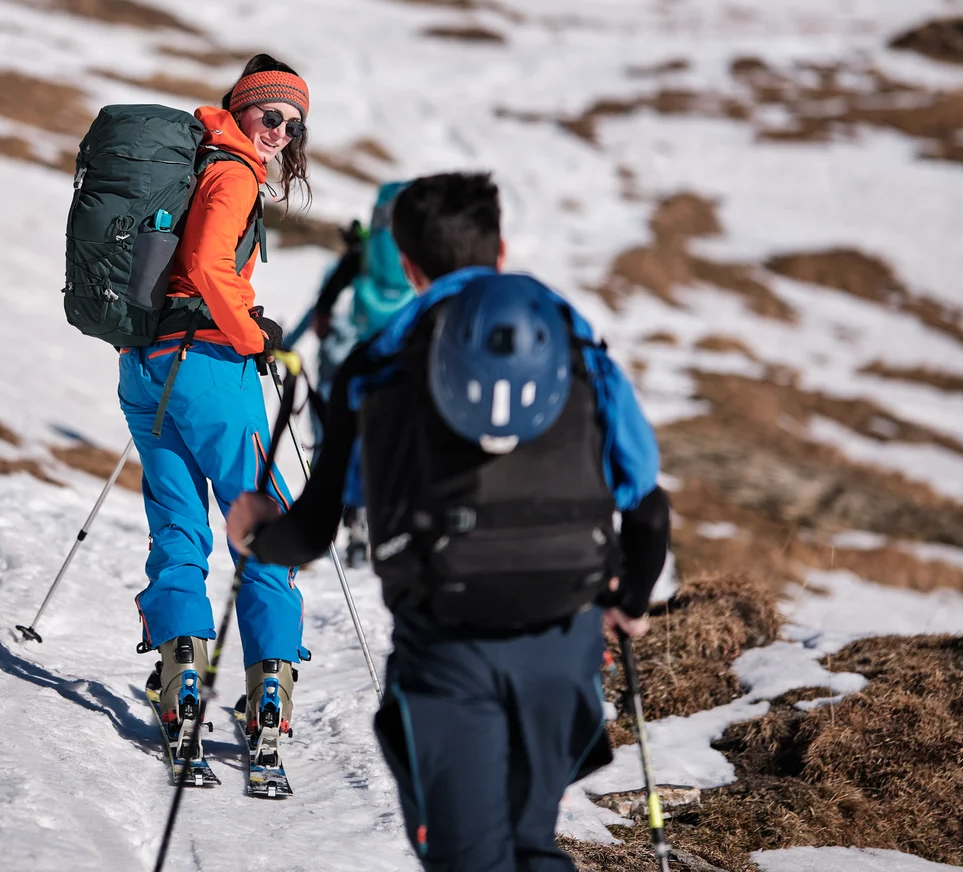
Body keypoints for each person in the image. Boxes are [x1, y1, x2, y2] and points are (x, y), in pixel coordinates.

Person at [227, 172, 671, 869]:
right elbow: (647, 506)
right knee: (530, 841)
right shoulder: (575, 347)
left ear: (408, 266)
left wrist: (255, 531)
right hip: (564, 639)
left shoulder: (377, 366)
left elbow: (313, 530)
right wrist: (631, 601)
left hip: (447, 644)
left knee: (469, 856)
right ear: (501, 250)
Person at [117, 53, 312, 787]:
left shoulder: (197, 167)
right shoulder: (232, 173)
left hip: (146, 368)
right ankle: (268, 705)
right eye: (271, 114)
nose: (280, 132)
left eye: (293, 125)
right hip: (208, 372)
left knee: (178, 530)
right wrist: (253, 336)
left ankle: (181, 693)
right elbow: (205, 262)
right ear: (241, 107)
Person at [304, 180, 415, 564]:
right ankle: (370, 523)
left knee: (343, 438)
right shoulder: (413, 252)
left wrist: (323, 320)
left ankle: (331, 523)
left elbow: (327, 301)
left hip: (361, 355)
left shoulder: (363, 253)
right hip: (403, 360)